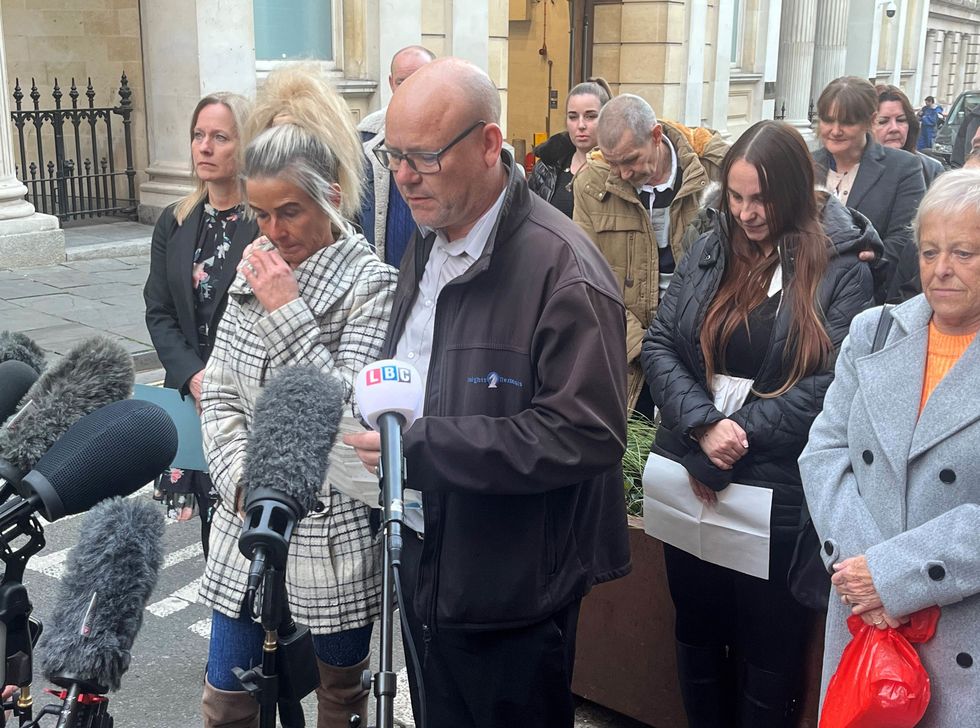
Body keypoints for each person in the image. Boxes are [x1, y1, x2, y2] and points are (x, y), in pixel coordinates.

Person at [344, 57, 631, 728]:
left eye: (424, 156)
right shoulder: (432, 235)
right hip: (427, 559)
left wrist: (424, 447)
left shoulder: (564, 270)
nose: (404, 176)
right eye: (393, 156)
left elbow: (587, 433)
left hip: (515, 594)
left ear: (487, 143)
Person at [642, 120, 877, 727]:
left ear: (796, 192)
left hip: (775, 487)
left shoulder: (842, 269)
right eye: (737, 196)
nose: (746, 213)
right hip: (692, 471)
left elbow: (832, 385)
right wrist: (701, 429)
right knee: (696, 629)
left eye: (761, 199)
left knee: (769, 648)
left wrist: (736, 434)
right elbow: (662, 341)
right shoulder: (712, 243)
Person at [198, 66, 396, 727]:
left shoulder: (373, 285)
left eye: (290, 212)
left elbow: (345, 416)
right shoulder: (253, 263)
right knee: (227, 699)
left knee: (340, 696)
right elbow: (221, 393)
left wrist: (286, 307)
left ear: (331, 197)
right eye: (261, 213)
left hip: (328, 532)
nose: (274, 231)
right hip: (244, 522)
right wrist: (240, 486)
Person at [799, 168, 980, 727]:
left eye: (964, 252)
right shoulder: (875, 332)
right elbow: (824, 453)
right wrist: (867, 576)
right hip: (863, 622)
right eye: (929, 251)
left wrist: (893, 575)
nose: (942, 269)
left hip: (959, 627)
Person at [143, 92, 256, 553]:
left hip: (248, 397)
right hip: (196, 395)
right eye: (198, 135)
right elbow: (158, 308)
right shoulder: (175, 220)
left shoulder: (266, 219)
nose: (204, 147)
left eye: (220, 137)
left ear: (245, 146)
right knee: (217, 533)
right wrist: (192, 375)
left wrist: (224, 381)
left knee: (251, 518)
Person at [573, 93, 729, 417]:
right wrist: (646, 349)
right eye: (613, 163)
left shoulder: (714, 172)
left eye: (631, 160)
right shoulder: (591, 184)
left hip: (706, 353)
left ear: (656, 136)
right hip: (628, 358)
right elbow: (588, 280)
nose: (623, 173)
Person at [813, 76, 926, 304]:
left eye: (846, 122)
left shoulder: (904, 168)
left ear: (870, 121)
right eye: (828, 120)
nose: (835, 130)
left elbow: (907, 236)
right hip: (808, 295)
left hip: (869, 296)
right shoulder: (806, 165)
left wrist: (874, 257)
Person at [357, 45, 436, 268]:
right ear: (391, 83)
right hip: (382, 277)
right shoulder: (364, 137)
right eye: (402, 81)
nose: (411, 88)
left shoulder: (457, 134)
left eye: (420, 78)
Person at [527, 78, 612, 217]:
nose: (581, 125)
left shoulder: (621, 171)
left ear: (607, 118)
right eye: (573, 117)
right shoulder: (546, 168)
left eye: (590, 116)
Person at [875, 84, 945, 187]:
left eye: (901, 120)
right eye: (883, 121)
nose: (894, 128)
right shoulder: (852, 170)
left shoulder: (931, 170)